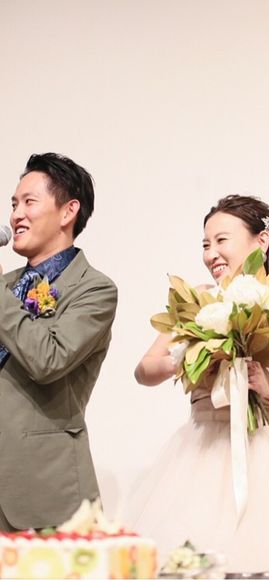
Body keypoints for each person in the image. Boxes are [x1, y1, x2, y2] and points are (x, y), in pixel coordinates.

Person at [131, 195, 269, 578]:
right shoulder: (199, 299)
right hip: (197, 456)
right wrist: (180, 358)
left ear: (261, 241)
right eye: (205, 244)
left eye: (221, 240)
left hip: (266, 463)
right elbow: (143, 370)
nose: (211, 254)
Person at [0, 153, 118, 532]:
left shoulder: (94, 290)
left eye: (29, 202)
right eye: (13, 204)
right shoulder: (5, 285)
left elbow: (47, 359)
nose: (16, 215)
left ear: (68, 211)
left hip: (42, 490)